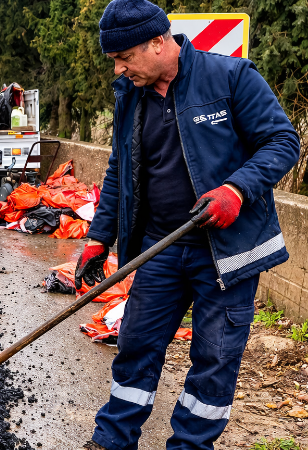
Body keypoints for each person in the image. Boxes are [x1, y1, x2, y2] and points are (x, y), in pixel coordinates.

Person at [74, 1, 300, 449]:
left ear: (159, 42)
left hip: (227, 252)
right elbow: (121, 171)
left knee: (214, 359)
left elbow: (282, 141)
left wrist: (236, 189)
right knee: (136, 344)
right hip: (160, 248)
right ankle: (113, 439)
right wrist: (100, 238)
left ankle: (190, 445)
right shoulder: (130, 98)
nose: (119, 70)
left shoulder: (231, 77)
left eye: (125, 58)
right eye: (114, 61)